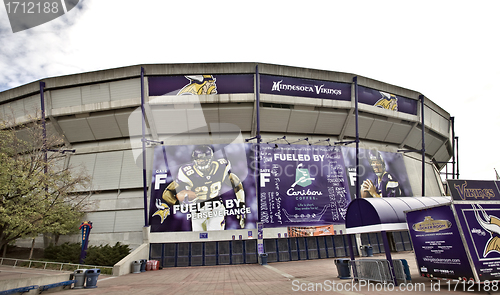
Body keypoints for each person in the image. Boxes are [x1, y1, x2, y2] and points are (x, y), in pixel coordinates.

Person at [161, 145, 246, 231]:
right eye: (198, 159)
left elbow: (237, 184)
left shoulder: (221, 167)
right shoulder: (187, 172)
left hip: (216, 208)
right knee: (199, 239)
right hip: (197, 210)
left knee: (215, 237)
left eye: (204, 159)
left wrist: (241, 205)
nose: (201, 161)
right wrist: (178, 204)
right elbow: (167, 193)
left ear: (210, 158)